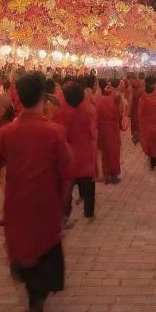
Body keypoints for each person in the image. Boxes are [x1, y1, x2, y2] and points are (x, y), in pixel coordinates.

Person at [0, 72, 73, 312]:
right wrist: (64, 205)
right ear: (42, 98)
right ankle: (38, 298)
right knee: (45, 249)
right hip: (46, 203)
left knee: (23, 248)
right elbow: (67, 169)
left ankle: (32, 294)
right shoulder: (55, 132)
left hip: (17, 203)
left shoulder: (4, 134)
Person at [62, 81, 97, 218]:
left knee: (68, 187)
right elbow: (92, 131)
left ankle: (65, 213)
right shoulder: (89, 110)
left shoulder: (62, 112)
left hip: (69, 153)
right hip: (86, 152)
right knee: (88, 184)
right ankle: (89, 212)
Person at [95, 79, 122, 183]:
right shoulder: (115, 97)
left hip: (102, 128)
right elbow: (120, 111)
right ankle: (114, 175)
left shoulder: (98, 100)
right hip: (113, 128)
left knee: (105, 151)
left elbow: (96, 117)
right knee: (114, 151)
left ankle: (106, 174)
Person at [138, 75, 156, 170]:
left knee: (150, 144)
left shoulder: (142, 98)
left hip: (146, 125)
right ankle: (155, 160)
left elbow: (140, 113)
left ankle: (152, 159)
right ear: (155, 85)